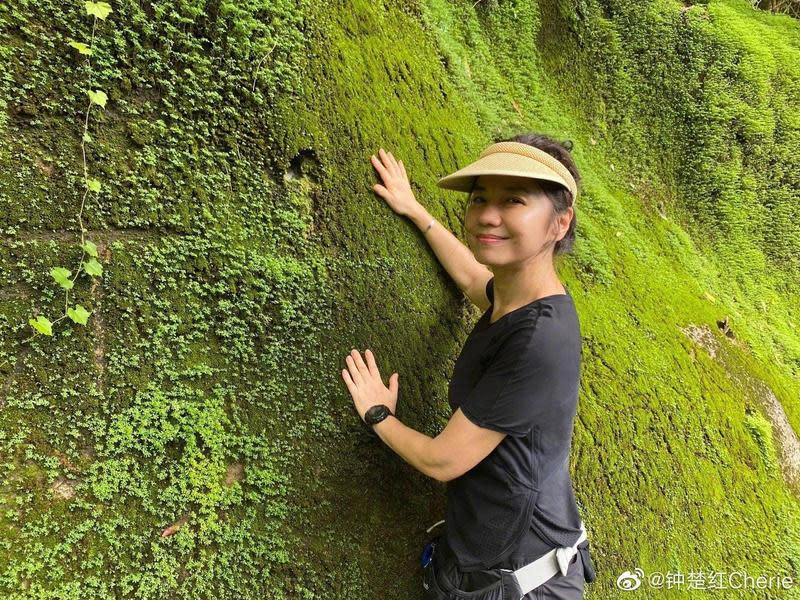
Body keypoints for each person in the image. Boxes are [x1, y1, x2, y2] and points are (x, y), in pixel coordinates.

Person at [341, 133, 595, 599]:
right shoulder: (519, 294)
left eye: (514, 200)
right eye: (480, 198)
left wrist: (378, 415)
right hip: (501, 551)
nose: (487, 215)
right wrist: (416, 211)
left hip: (522, 583)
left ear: (560, 223)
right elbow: (474, 278)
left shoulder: (538, 340)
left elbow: (444, 459)